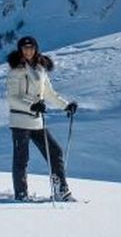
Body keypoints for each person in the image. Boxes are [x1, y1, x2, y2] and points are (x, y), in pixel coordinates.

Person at [6, 35, 77, 201]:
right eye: (25, 48)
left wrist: (65, 105)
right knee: (21, 159)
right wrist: (31, 105)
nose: (28, 51)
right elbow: (12, 97)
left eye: (31, 48)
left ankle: (61, 190)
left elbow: (49, 93)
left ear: (35, 49)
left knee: (55, 151)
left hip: (36, 121)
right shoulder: (15, 70)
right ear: (20, 50)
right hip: (20, 120)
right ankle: (21, 194)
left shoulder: (40, 69)